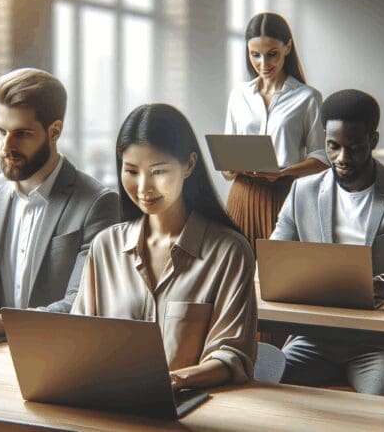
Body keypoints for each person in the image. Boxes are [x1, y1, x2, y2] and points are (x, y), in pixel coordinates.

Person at [270, 89, 384, 397]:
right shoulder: (302, 191)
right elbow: (274, 258)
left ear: (374, 140)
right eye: (333, 146)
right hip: (317, 336)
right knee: (268, 396)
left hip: (381, 340)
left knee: (383, 416)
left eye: (354, 148)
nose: (342, 158)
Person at [71, 104, 257, 391]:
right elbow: (80, 340)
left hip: (190, 409)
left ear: (189, 165)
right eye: (131, 171)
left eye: (158, 171)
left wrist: (174, 380)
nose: (144, 187)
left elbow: (232, 356)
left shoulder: (229, 251)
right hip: (108, 404)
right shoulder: (105, 247)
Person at [0, 68, 120, 340]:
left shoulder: (97, 203)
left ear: (54, 132)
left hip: (59, 357)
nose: (6, 146)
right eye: (1, 131)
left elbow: (83, 303)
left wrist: (10, 322)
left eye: (22, 134)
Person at [224, 12, 328, 250]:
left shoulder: (307, 98)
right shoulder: (239, 96)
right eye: (255, 55)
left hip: (285, 196)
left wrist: (283, 172)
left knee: (281, 277)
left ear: (288, 47)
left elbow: (322, 160)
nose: (263, 64)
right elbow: (227, 160)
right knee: (237, 273)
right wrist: (229, 166)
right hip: (242, 195)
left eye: (272, 54)